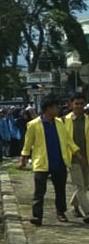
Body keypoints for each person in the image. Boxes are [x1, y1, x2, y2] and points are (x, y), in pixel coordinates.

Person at [21, 94, 82, 225]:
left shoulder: (60, 123)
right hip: (41, 162)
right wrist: (23, 159)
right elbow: (27, 143)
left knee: (60, 190)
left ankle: (61, 212)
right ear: (48, 108)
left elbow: (68, 140)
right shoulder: (33, 125)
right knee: (39, 192)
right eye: (56, 107)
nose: (58, 109)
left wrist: (76, 152)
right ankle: (37, 216)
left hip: (59, 162)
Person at [63, 92, 89, 223]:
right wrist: (77, 153)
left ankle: (74, 205)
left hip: (87, 158)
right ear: (71, 104)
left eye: (81, 104)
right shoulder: (64, 121)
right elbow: (65, 140)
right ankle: (87, 212)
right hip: (73, 158)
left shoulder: (87, 119)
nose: (79, 106)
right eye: (76, 104)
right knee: (80, 186)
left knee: (85, 185)